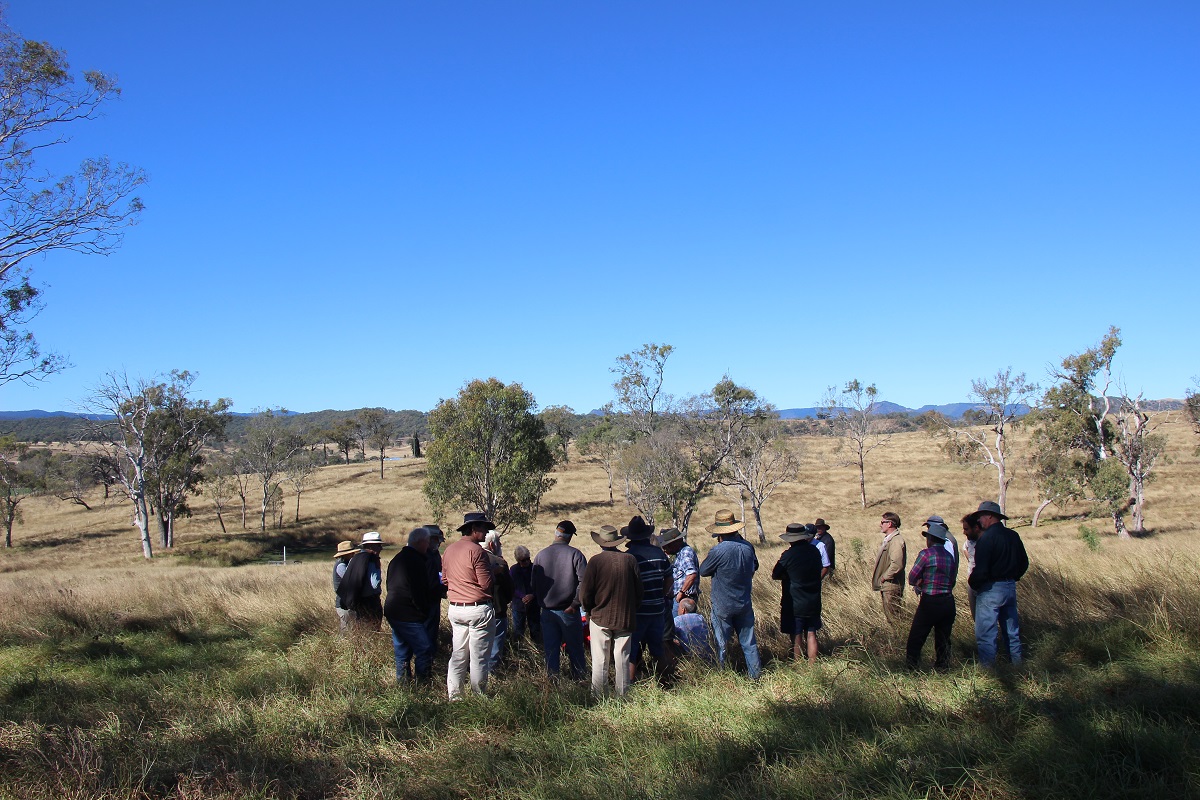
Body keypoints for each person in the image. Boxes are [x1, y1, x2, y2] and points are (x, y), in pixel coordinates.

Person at [698, 509, 762, 679]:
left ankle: (722, 676)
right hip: (744, 602)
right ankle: (755, 677)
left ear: (719, 533)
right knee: (749, 644)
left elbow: (703, 571)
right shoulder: (748, 547)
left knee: (721, 644)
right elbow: (755, 566)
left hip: (723, 605)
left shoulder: (718, 551)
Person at [580, 525, 643, 696]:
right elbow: (639, 591)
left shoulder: (595, 561)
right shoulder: (630, 560)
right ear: (617, 542)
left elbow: (585, 592)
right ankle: (622, 696)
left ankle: (599, 696)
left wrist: (588, 610)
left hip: (599, 616)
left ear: (601, 543)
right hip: (625, 617)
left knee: (600, 659)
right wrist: (632, 609)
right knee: (622, 658)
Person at [968, 501, 1029, 667]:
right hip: (1010, 587)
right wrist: (1013, 577)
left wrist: (973, 583)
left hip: (990, 589)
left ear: (989, 516)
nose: (979, 520)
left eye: (980, 516)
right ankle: (1016, 667)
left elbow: (981, 569)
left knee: (987, 633)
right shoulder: (1013, 536)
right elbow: (1024, 563)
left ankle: (989, 672)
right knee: (1012, 631)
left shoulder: (986, 538)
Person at [443, 512, 497, 699]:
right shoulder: (477, 552)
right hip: (477, 608)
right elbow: (486, 584)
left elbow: (445, 580)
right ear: (474, 529)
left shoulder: (449, 550)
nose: (485, 533)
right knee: (479, 657)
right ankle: (479, 696)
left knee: (458, 654)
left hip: (456, 607)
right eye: (483, 529)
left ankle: (455, 696)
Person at [532, 520, 588, 679]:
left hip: (547, 611)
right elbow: (585, 582)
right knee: (575, 649)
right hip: (568, 611)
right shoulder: (575, 554)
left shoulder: (541, 555)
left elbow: (534, 584)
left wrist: (542, 602)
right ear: (570, 537)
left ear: (556, 534)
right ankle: (580, 681)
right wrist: (575, 604)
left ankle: (552, 683)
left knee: (551, 650)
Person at [623, 516, 672, 684]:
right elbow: (669, 578)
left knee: (632, 651)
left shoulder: (628, 557)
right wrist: (662, 595)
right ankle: (665, 682)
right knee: (657, 650)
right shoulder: (659, 554)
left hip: (637, 612)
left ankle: (629, 687)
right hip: (657, 609)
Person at [384, 527, 435, 683]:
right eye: (427, 542)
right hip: (408, 613)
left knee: (402, 650)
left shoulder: (397, 558)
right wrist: (422, 611)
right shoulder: (415, 561)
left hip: (393, 610)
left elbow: (390, 584)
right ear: (420, 542)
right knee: (424, 649)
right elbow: (417, 591)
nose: (428, 546)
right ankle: (423, 684)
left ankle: (403, 683)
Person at [905, 519, 957, 671]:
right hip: (948, 601)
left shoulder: (926, 554)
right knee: (943, 638)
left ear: (931, 539)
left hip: (930, 601)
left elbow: (912, 577)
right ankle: (942, 667)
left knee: (916, 637)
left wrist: (921, 581)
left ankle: (912, 668)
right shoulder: (949, 557)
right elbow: (952, 580)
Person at [771, 523, 824, 665]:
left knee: (796, 633)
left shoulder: (788, 555)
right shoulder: (814, 551)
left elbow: (775, 574)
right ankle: (813, 665)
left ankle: (798, 665)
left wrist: (788, 577)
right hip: (813, 598)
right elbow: (820, 569)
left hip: (794, 601)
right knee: (812, 633)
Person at [336, 531, 386, 631]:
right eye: (379, 545)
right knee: (372, 632)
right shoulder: (372, 559)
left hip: (358, 602)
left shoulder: (355, 558)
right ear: (371, 546)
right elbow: (374, 584)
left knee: (362, 631)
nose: (381, 548)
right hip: (371, 603)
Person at [483, 530, 514, 671]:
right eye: (499, 542)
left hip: (475, 610)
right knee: (494, 648)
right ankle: (491, 676)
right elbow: (509, 590)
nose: (500, 544)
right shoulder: (499, 562)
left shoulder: (470, 558)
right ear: (492, 545)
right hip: (497, 610)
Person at [871, 512, 907, 621]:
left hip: (891, 585)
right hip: (888, 585)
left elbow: (897, 564)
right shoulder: (890, 539)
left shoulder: (896, 540)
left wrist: (884, 577)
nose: (880, 525)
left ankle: (898, 637)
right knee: (890, 617)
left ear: (890, 524)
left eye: (882, 522)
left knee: (894, 618)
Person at [660, 527, 699, 617]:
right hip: (678, 598)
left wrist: (681, 593)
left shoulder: (685, 552)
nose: (665, 548)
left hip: (683, 599)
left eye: (667, 545)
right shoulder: (680, 553)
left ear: (675, 543)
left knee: (679, 628)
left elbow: (691, 574)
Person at [423, 525, 447, 656]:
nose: (438, 544)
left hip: (435, 599)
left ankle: (430, 660)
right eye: (437, 540)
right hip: (424, 601)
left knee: (432, 632)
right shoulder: (421, 555)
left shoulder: (435, 555)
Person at [509, 544, 541, 643]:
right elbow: (511, 586)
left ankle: (538, 649)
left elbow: (540, 585)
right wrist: (522, 596)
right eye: (523, 560)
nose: (526, 562)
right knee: (518, 631)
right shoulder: (514, 570)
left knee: (535, 630)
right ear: (518, 560)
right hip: (518, 605)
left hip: (534, 604)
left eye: (528, 559)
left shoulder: (535, 568)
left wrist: (532, 595)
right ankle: (518, 650)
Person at [672, 598, 715, 663]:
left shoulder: (677, 620)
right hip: (706, 655)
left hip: (688, 656)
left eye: (679, 608)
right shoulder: (702, 618)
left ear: (683, 610)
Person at [331, 540, 360, 634]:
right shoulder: (341, 565)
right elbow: (350, 579)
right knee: (346, 632)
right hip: (344, 605)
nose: (353, 555)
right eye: (351, 553)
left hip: (345, 603)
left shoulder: (343, 563)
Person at [960, 514, 982, 619]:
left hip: (983, 584)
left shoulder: (985, 541)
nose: (964, 532)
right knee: (976, 617)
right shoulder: (969, 541)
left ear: (976, 528)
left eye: (966, 529)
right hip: (971, 582)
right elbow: (964, 548)